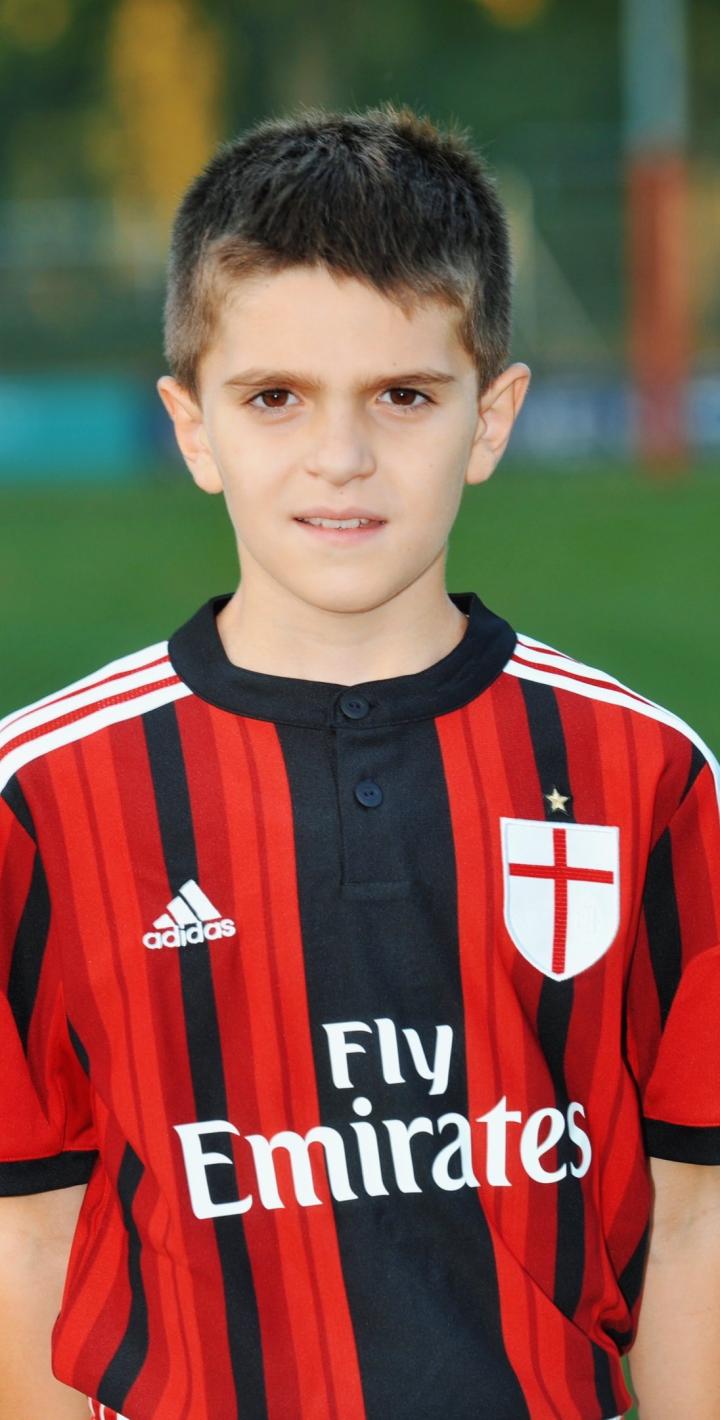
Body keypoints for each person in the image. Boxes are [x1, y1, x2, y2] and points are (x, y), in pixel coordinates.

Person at [0, 102, 718, 1420]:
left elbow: (689, 1223)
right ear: (193, 426)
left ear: (491, 417)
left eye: (404, 396)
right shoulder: (42, 797)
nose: (341, 458)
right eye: (275, 398)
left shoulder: (644, 771)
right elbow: (30, 1235)